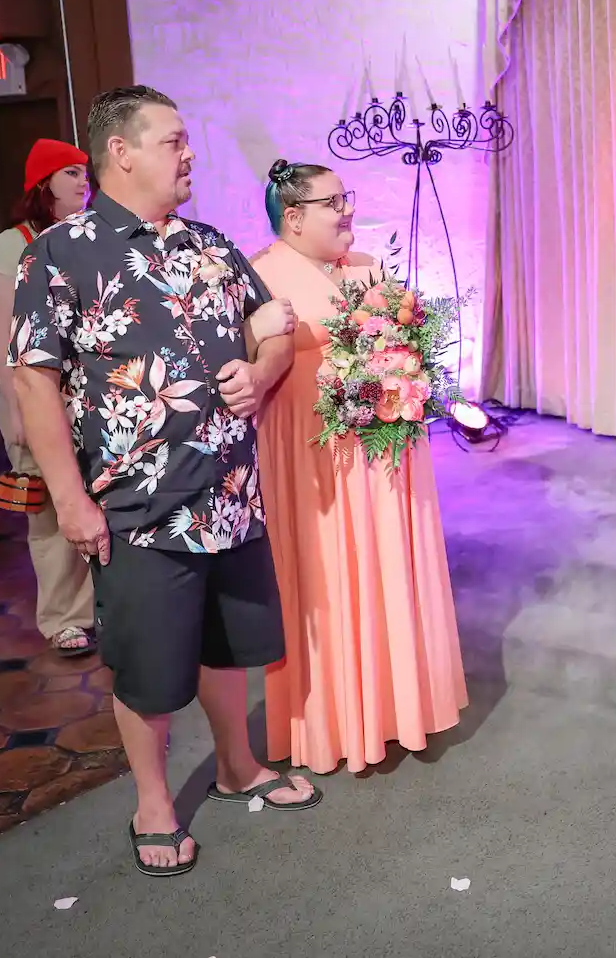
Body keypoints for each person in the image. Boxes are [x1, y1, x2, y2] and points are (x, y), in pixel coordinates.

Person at [8, 86, 320, 878]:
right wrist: (70, 499)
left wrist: (260, 371)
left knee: (227, 645)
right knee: (148, 665)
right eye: (173, 141)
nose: (190, 154)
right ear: (121, 152)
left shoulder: (210, 244)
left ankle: (237, 766)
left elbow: (272, 330)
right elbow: (35, 381)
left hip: (230, 490)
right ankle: (152, 803)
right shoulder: (59, 253)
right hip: (136, 502)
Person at [249, 158, 468, 774]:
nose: (348, 210)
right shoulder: (260, 275)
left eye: (347, 198)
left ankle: (398, 706)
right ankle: (334, 718)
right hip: (312, 455)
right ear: (294, 217)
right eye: (334, 202)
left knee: (385, 566)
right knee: (328, 578)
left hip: (382, 452)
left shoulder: (369, 268)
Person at [0, 138, 96, 658]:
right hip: (39, 396)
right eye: (70, 173)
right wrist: (18, 407)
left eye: (84, 173)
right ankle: (65, 619)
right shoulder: (11, 246)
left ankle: (102, 610)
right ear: (42, 183)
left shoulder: (87, 235)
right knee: (50, 515)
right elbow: (1, 338)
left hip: (90, 399)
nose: (82, 182)